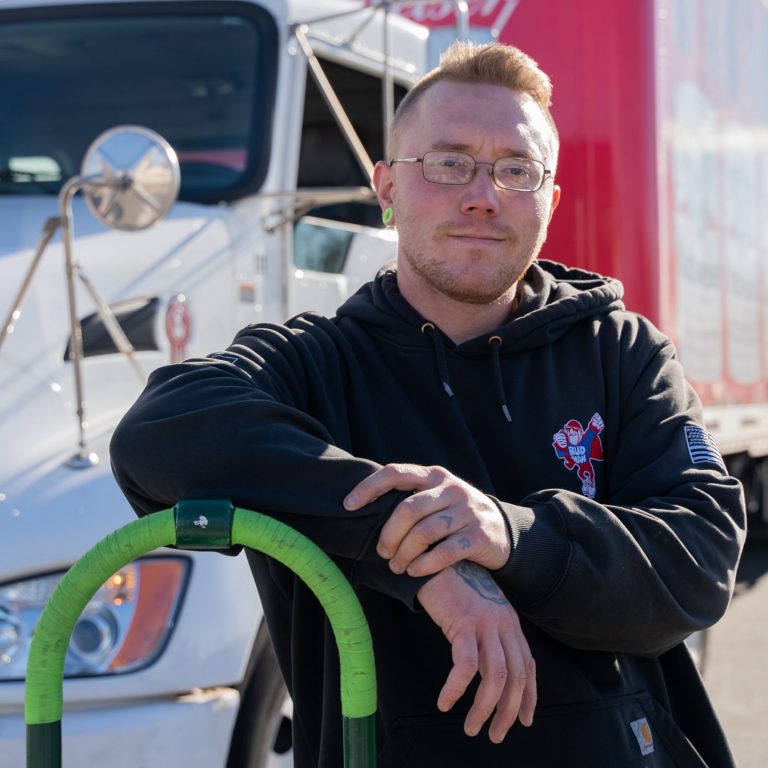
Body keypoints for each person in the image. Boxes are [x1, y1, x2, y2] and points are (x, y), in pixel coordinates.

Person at [110, 40, 745, 767]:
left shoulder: (622, 351)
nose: (484, 193)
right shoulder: (316, 363)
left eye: (517, 169)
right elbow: (156, 435)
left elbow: (701, 557)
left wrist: (511, 535)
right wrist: (423, 551)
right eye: (448, 163)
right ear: (385, 187)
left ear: (551, 200)